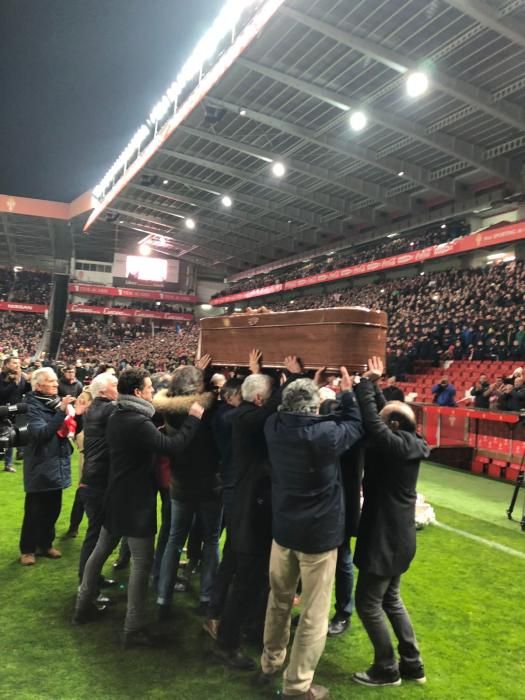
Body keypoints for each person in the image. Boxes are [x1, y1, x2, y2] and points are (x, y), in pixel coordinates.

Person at [73, 368, 204, 649]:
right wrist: (193, 420)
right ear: (136, 392)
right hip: (135, 504)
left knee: (100, 551)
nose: (150, 391)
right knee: (142, 564)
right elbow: (172, 446)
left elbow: (144, 441)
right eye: (147, 387)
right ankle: (133, 628)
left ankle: (82, 606)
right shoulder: (135, 421)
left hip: (115, 495)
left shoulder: (118, 414)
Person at [259, 371, 363, 700]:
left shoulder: (273, 427)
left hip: (284, 530)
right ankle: (298, 685)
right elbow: (356, 424)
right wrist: (347, 392)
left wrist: (302, 378)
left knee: (278, 599)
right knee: (314, 614)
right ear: (315, 407)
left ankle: (271, 661)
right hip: (318, 537)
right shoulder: (325, 434)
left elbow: (278, 405)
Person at [213, 353, 300, 670]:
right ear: (260, 398)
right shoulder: (251, 418)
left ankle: (240, 624)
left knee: (243, 571)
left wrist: (260, 372)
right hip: (251, 511)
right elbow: (278, 407)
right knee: (249, 578)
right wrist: (293, 378)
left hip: (244, 506)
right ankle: (228, 641)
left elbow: (271, 405)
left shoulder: (242, 414)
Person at [352, 357, 429, 687]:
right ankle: (413, 664)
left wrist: (365, 384)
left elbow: (375, 423)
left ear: (394, 428)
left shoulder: (392, 443)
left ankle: (386, 668)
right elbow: (389, 417)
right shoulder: (411, 441)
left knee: (368, 603)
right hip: (401, 535)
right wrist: (377, 386)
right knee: (391, 600)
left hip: (383, 535)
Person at [155, 365, 223, 620]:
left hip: (180, 483)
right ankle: (206, 597)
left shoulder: (169, 410)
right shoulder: (206, 410)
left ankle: (163, 598)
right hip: (209, 485)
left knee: (175, 540)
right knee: (212, 540)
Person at [19, 368, 76, 565]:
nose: (55, 384)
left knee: (53, 509)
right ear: (38, 385)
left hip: (57, 462)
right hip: (40, 464)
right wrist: (61, 412)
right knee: (34, 511)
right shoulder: (29, 406)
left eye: (55, 381)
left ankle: (46, 544)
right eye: (50, 381)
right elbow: (41, 434)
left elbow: (65, 429)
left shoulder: (55, 402)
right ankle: (27, 549)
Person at [75, 374, 118, 583]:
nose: (118, 389)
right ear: (102, 391)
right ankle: (87, 583)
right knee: (96, 536)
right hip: (98, 481)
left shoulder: (94, 409)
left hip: (92, 478)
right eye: (115, 386)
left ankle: (91, 578)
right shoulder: (110, 409)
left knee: (97, 534)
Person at [65, 389, 93, 538]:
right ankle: (73, 526)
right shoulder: (77, 418)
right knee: (81, 493)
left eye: (85, 399)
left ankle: (89, 527)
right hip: (85, 459)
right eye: (80, 398)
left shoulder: (96, 419)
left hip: (95, 459)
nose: (81, 401)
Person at [0, 355, 30, 472]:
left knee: (12, 436)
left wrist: (27, 382)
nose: (17, 365)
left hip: (15, 411)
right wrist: (13, 383)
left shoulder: (20, 378)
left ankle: (8, 464)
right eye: (14, 363)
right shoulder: (2, 378)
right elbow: (2, 393)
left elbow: (24, 391)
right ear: (6, 364)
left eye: (18, 363)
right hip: (2, 410)